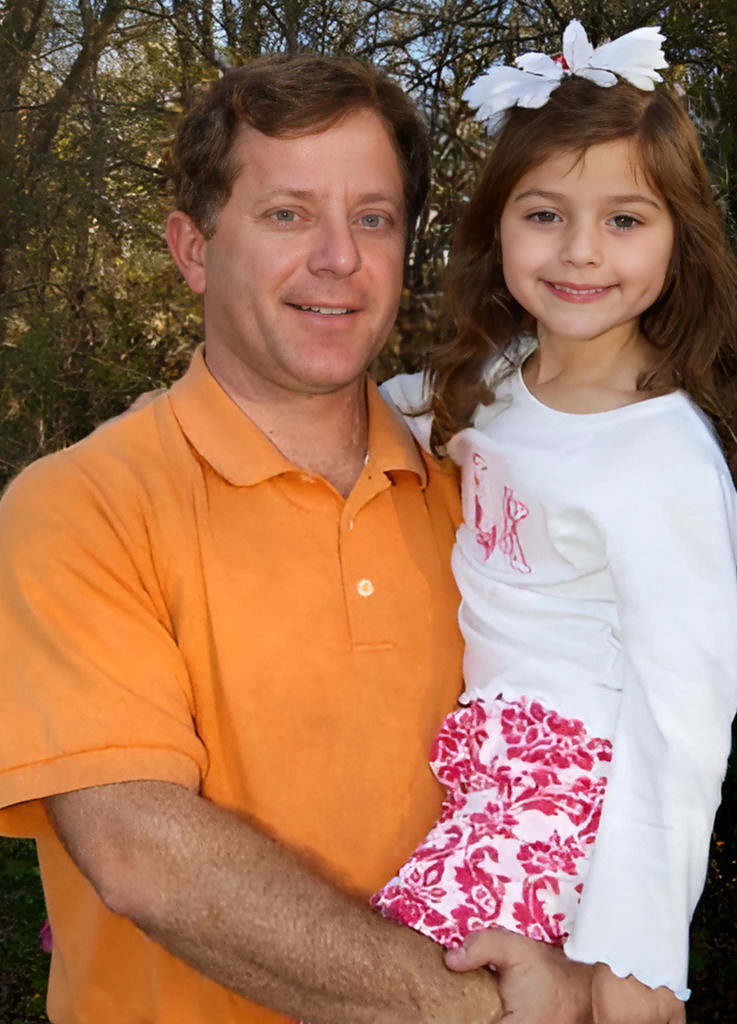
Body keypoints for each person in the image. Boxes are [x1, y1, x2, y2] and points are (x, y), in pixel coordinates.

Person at [0, 53, 520, 1024]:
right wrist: (478, 1012)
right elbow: (141, 851)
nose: (338, 258)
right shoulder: (80, 508)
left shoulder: (480, 492)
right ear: (192, 248)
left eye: (373, 218)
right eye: (287, 214)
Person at [372, 20, 737, 1024]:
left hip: (569, 788)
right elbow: (382, 409)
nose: (580, 251)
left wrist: (636, 963)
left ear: (677, 237)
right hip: (479, 760)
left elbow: (682, 717)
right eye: (543, 214)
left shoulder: (661, 458)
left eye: (624, 219)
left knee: (392, 988)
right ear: (497, 227)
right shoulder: (494, 381)